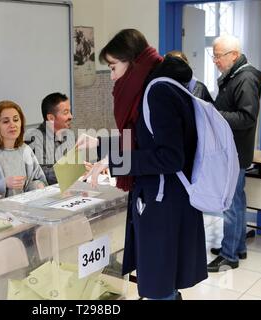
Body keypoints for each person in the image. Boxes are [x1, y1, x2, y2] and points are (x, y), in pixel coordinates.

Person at [77, 29, 207, 300]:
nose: (112, 76)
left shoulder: (156, 92)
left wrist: (114, 163)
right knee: (163, 280)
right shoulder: (155, 85)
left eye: (113, 67)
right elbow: (143, 140)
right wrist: (100, 145)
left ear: (132, 61)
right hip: (162, 199)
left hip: (164, 204)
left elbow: (170, 156)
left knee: (159, 284)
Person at [207, 35, 261, 272]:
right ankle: (236, 246)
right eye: (214, 56)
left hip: (235, 152)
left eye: (218, 56)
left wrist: (214, 115)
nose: (215, 61)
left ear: (233, 55)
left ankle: (229, 256)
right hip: (232, 150)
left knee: (231, 203)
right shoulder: (235, 75)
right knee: (236, 201)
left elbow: (247, 117)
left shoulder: (246, 78)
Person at [0, 100, 47, 197]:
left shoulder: (25, 149)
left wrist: (38, 185)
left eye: (16, 120)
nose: (12, 125)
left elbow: (35, 180)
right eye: (6, 121)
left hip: (25, 208)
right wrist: (3, 184)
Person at [25, 92, 75, 185]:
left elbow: (76, 163)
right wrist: (73, 171)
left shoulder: (69, 135)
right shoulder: (34, 139)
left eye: (70, 111)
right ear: (51, 118)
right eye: (66, 112)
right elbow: (41, 174)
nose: (70, 116)